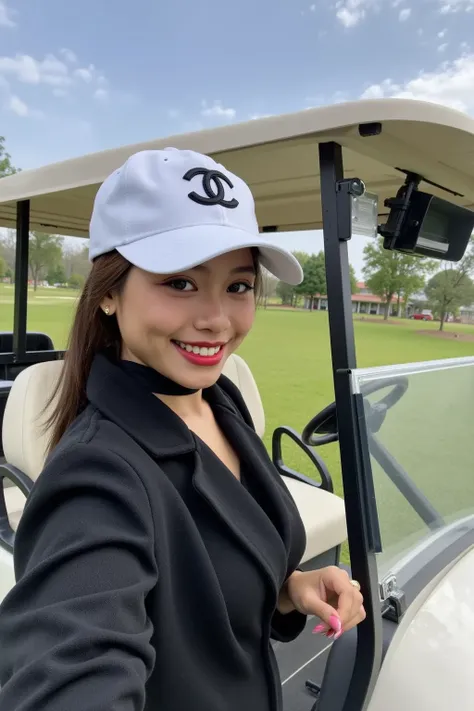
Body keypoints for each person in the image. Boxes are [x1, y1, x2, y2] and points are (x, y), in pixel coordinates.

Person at [0, 147, 365, 711]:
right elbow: (70, 675)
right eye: (180, 283)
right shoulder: (95, 479)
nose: (217, 319)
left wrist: (290, 590)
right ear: (109, 293)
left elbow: (214, 575)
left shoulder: (219, 400)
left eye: (239, 286)